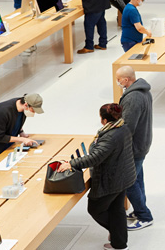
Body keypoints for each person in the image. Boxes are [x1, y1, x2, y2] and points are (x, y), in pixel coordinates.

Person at [58, 104, 136, 250]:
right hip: (123, 175)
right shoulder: (122, 127)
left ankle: (117, 234)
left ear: (104, 120)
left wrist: (71, 164)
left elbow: (95, 158)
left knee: (96, 209)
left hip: (111, 179)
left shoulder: (110, 136)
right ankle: (119, 243)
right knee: (116, 209)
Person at [116, 67, 154, 230]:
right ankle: (139, 210)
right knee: (138, 179)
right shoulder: (143, 90)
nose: (117, 82)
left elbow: (128, 127)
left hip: (133, 146)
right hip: (142, 142)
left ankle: (145, 216)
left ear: (126, 79)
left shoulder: (133, 98)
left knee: (128, 181)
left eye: (119, 79)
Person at [0, 94, 44, 163]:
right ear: (26, 105)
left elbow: (15, 121)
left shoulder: (22, 108)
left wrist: (21, 132)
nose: (34, 113)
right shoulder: (3, 112)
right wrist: (22, 139)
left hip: (7, 147)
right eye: (33, 110)